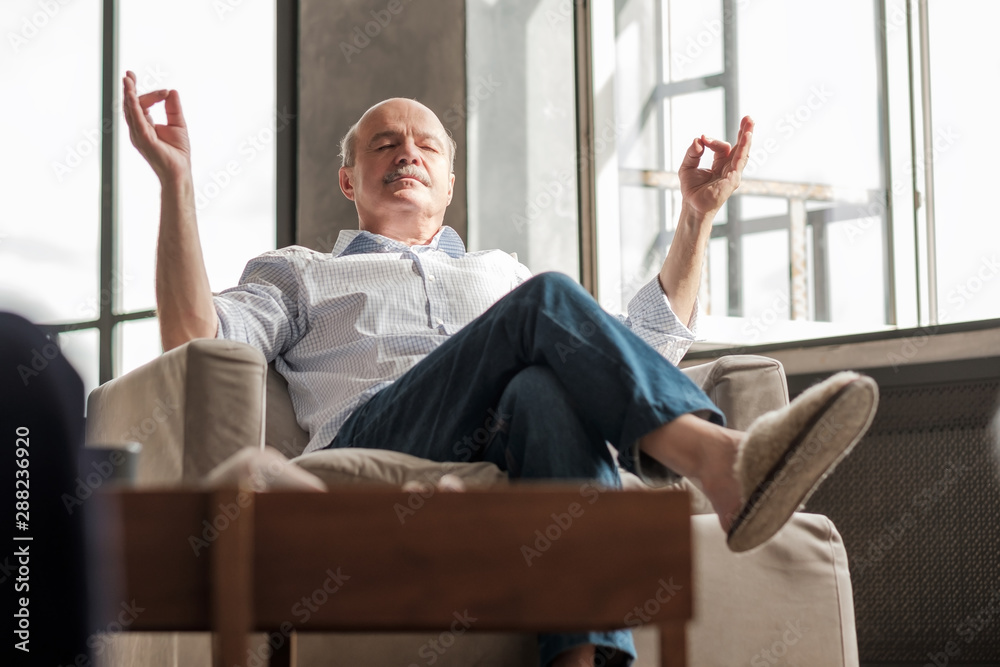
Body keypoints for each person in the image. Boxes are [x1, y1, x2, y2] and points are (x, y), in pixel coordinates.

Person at [121, 70, 878, 667]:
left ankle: (579, 659)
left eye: (425, 146)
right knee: (548, 301)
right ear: (349, 180)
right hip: (381, 436)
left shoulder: (497, 273)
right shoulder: (299, 272)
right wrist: (178, 186)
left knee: (546, 389)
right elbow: (195, 340)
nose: (406, 152)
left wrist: (697, 217)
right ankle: (718, 461)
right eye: (383, 144)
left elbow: (644, 344)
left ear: (450, 182)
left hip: (505, 437)